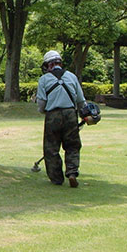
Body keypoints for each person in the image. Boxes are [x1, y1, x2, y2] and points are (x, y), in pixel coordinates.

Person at [34, 50, 94, 187]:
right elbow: (81, 100)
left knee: (51, 148)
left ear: (48, 65)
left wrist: (44, 112)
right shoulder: (72, 77)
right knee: (72, 145)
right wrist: (85, 115)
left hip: (52, 115)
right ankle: (72, 172)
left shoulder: (43, 80)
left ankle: (56, 178)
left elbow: (41, 103)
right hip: (70, 114)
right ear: (60, 63)